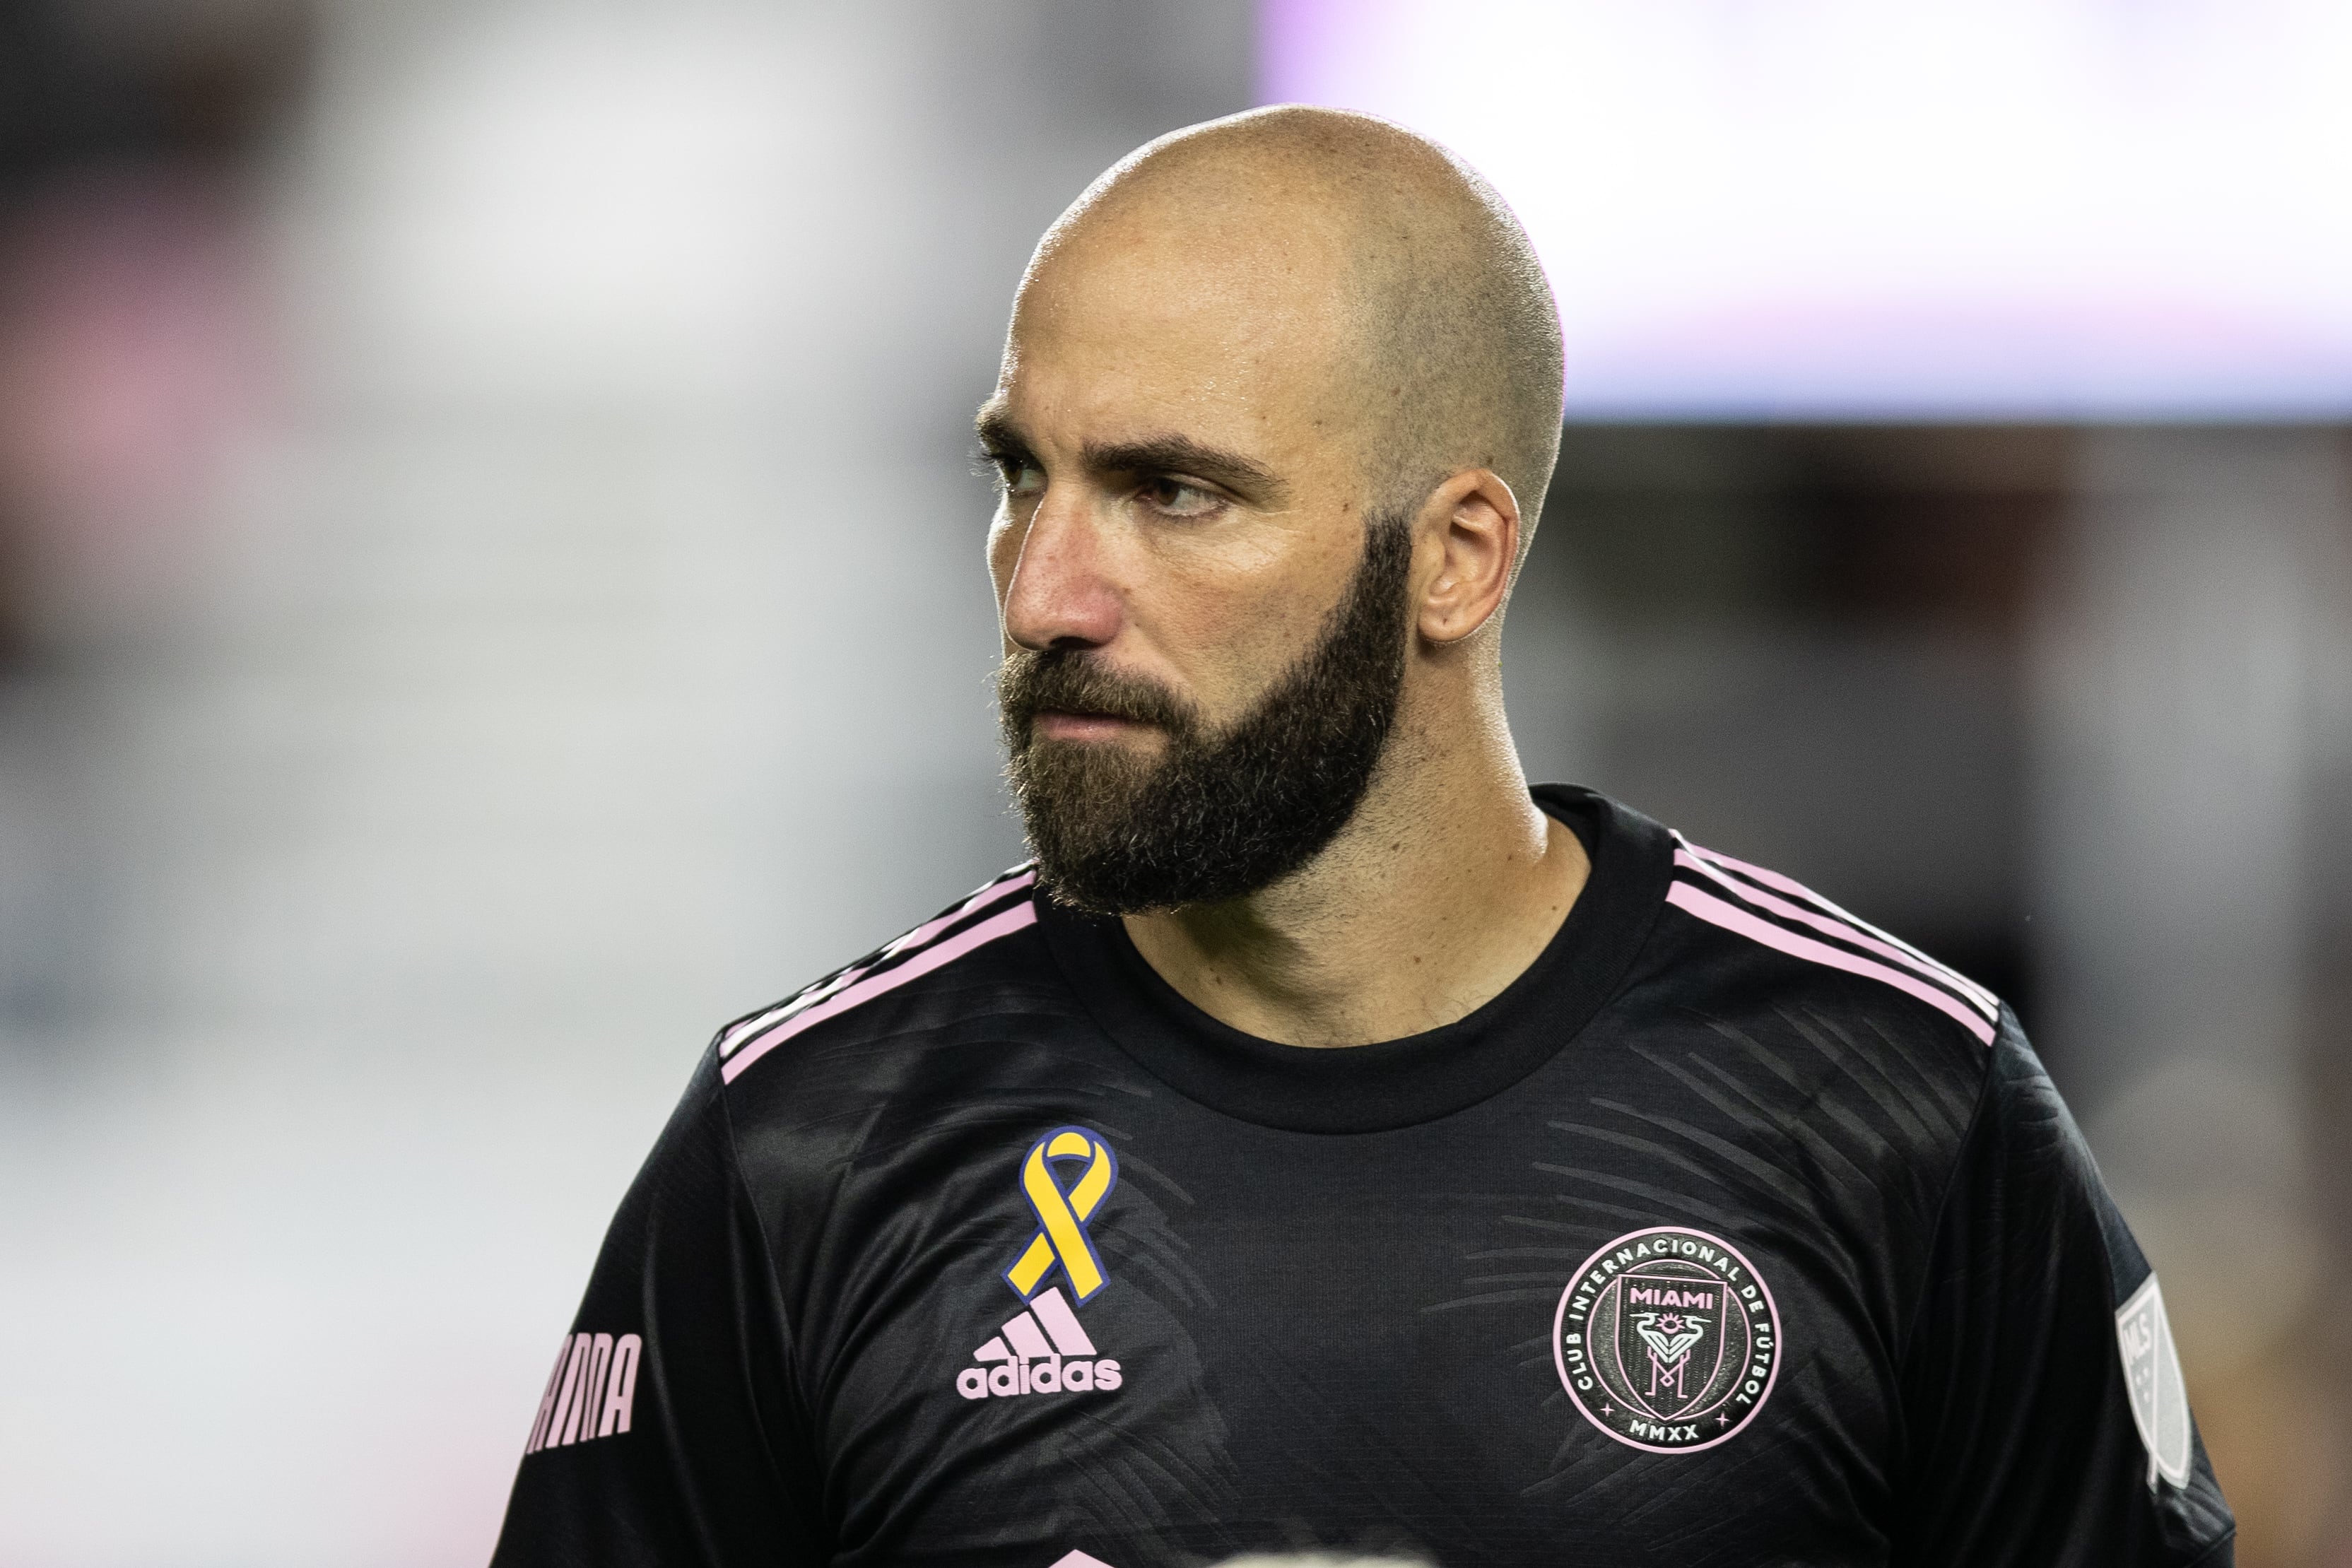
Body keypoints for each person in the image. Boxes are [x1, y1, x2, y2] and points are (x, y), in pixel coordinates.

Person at [489, 107, 2234, 1568]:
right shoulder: (811, 1146)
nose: (1048, 592)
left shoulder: (1895, 1118)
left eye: (1176, 492)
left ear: (1456, 557)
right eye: (1021, 477)